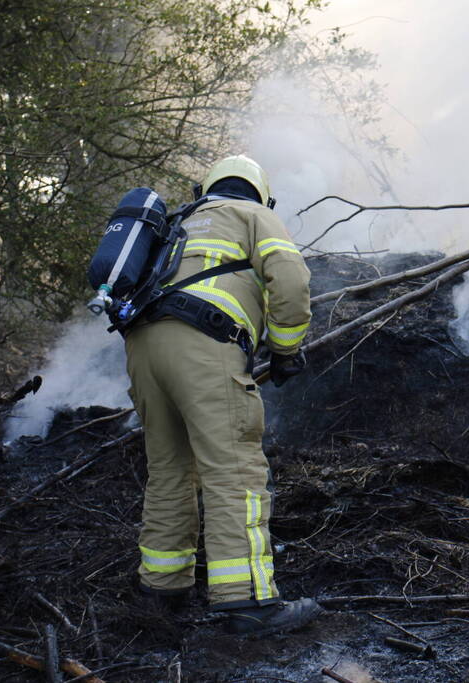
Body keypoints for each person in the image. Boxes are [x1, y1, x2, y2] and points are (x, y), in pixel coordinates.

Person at [123, 155, 320, 635]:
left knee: (170, 469)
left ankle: (162, 588)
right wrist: (286, 349)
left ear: (203, 188)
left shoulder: (176, 224)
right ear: (260, 192)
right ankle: (246, 599)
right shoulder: (254, 214)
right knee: (233, 471)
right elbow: (290, 282)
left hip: (143, 346)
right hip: (204, 343)